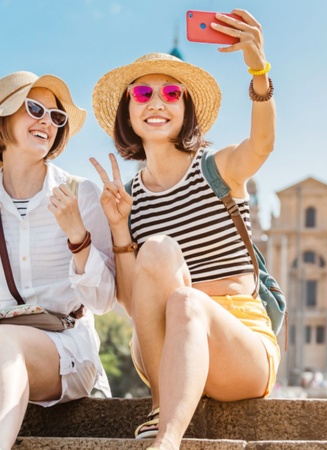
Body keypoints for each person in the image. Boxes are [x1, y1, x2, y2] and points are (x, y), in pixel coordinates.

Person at [90, 9, 279, 450]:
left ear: (187, 108)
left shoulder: (218, 169)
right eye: (142, 93)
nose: (157, 102)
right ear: (128, 111)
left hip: (240, 348)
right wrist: (119, 229)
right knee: (156, 253)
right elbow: (134, 304)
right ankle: (162, 408)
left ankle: (166, 441)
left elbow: (263, 145)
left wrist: (259, 70)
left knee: (189, 304)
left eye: (172, 93)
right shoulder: (129, 196)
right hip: (164, 353)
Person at [0, 71, 116, 449]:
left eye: (56, 117)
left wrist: (77, 237)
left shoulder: (81, 194)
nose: (46, 121)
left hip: (66, 347)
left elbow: (104, 301)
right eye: (34, 108)